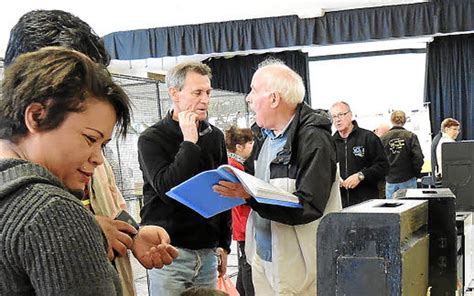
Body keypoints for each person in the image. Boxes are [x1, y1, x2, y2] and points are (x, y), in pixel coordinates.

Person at [4, 9, 178, 295]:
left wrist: (132, 234)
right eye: (74, 73)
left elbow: (111, 205)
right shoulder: (49, 210)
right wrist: (81, 230)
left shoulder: (83, 147)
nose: (97, 157)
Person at [0, 47, 130, 295]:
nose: (98, 159)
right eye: (90, 139)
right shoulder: (52, 212)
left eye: (102, 145)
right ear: (37, 116)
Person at [213, 59, 340, 295]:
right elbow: (256, 183)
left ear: (274, 99)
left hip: (300, 266)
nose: (249, 98)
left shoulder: (313, 140)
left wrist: (250, 197)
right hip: (263, 256)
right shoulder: (263, 136)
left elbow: (308, 206)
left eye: (254, 90)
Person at [138, 61, 232, 296]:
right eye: (197, 92)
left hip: (207, 252)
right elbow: (168, 189)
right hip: (170, 254)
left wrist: (223, 244)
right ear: (174, 93)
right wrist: (189, 142)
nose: (205, 99)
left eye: (208, 92)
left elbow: (222, 190)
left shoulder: (214, 136)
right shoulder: (151, 138)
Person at [330, 101, 389, 207]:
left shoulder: (368, 138)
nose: (337, 120)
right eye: (334, 117)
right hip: (340, 205)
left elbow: (383, 166)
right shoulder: (330, 143)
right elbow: (325, 169)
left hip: (366, 204)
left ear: (350, 115)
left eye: (340, 115)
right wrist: (334, 179)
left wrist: (361, 175)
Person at [224, 126, 255, 296]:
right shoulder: (235, 168)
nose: (252, 146)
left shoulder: (233, 165)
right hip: (242, 224)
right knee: (247, 265)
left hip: (240, 223)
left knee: (245, 263)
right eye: (249, 143)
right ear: (239, 147)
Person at [380, 110, 424, 198]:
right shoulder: (411, 136)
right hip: (408, 178)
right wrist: (416, 173)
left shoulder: (383, 138)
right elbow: (418, 158)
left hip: (391, 181)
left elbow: (380, 160)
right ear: (404, 121)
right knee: (411, 209)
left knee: (393, 210)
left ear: (391, 121)